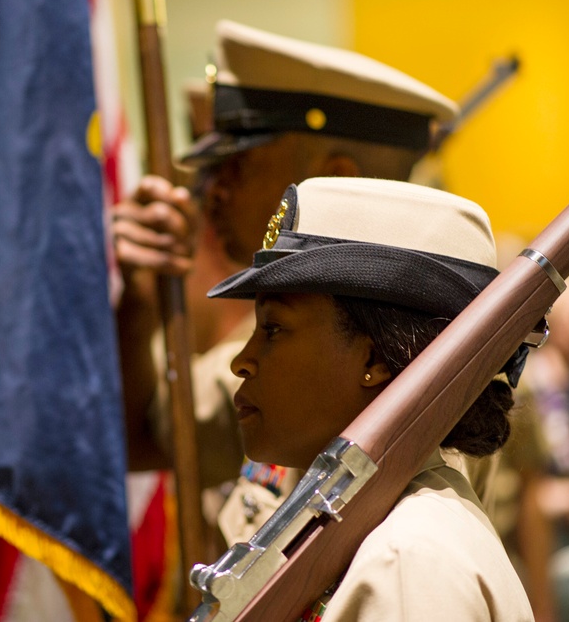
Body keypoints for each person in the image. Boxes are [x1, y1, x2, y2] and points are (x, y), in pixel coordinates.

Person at [113, 20, 459, 542]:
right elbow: (138, 438)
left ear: (339, 177)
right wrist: (140, 300)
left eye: (238, 168)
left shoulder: (427, 361)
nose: (214, 195)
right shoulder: (293, 351)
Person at [203, 176, 533, 620]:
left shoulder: (406, 562)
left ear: (376, 356)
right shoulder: (381, 530)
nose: (241, 361)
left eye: (274, 328)